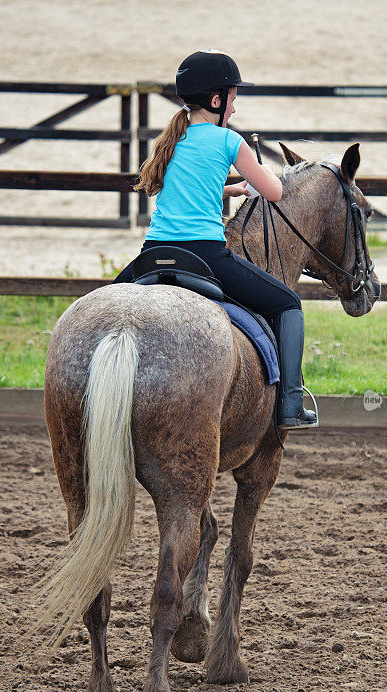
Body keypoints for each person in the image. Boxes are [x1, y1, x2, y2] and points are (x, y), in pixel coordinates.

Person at [114, 50, 316, 429]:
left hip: (153, 252)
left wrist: (231, 188)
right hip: (206, 256)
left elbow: (187, 185)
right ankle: (290, 403)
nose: (235, 110)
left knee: (105, 310)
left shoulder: (169, 140)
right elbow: (273, 192)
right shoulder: (229, 141)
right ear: (216, 100)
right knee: (288, 303)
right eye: (234, 101)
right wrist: (260, 174)